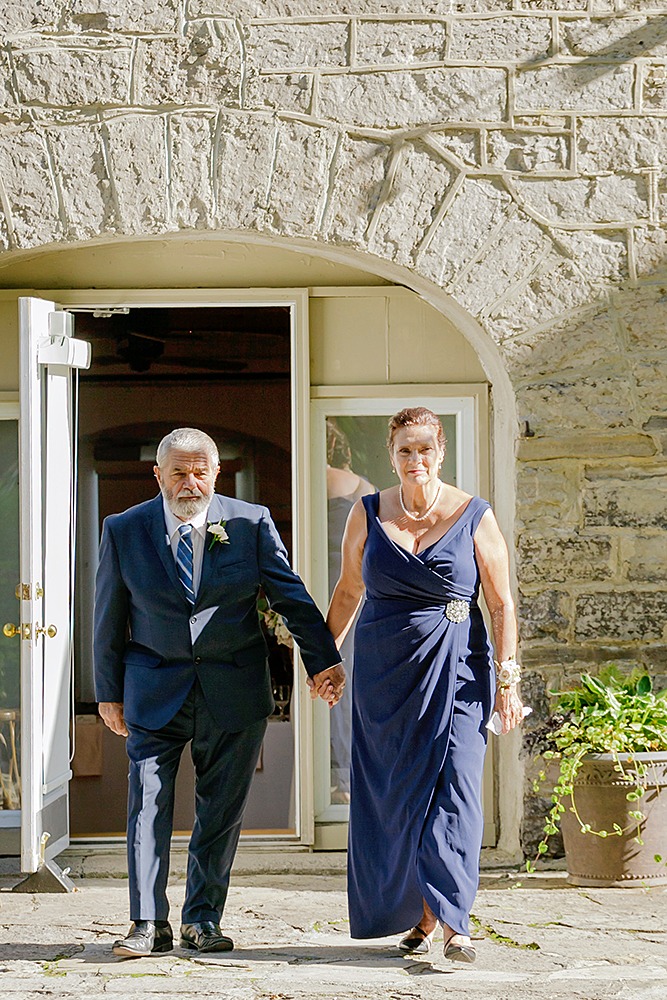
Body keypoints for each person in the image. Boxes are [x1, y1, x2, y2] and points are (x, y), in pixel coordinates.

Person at [94, 427, 345, 958]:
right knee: (147, 806)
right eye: (178, 473)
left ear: (216, 474)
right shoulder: (123, 529)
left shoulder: (250, 523)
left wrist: (323, 660)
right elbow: (108, 619)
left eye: (200, 472)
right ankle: (147, 922)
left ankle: (202, 920)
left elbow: (291, 597)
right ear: (158, 475)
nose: (190, 483)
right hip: (154, 688)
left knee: (221, 811)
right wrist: (108, 693)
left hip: (234, 688)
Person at [326, 407, 523, 963]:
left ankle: (455, 920)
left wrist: (507, 682)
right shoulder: (366, 514)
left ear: (441, 452)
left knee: (456, 785)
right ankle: (422, 914)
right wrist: (322, 659)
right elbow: (347, 593)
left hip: (460, 666)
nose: (416, 459)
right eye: (404, 450)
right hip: (384, 676)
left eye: (425, 449)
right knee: (395, 793)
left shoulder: (474, 515)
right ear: (391, 456)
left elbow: (502, 603)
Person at [325, 420, 376, 803]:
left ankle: (334, 772)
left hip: (325, 581)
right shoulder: (365, 488)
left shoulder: (312, 478)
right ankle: (350, 774)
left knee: (326, 669)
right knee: (354, 672)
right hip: (358, 583)